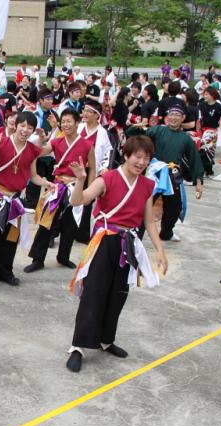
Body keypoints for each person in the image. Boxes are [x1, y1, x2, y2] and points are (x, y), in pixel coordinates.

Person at [65, 135, 167, 372]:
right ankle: (78, 346)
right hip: (104, 241)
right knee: (93, 294)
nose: (141, 162)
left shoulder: (147, 185)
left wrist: (160, 250)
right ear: (126, 155)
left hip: (128, 245)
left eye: (146, 158)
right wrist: (80, 180)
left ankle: (105, 339)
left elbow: (149, 221)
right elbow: (78, 200)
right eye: (137, 156)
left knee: (118, 294)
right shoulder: (107, 179)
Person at [0, 112, 55, 292]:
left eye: (30, 128)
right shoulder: (1, 142)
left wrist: (46, 182)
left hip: (15, 201)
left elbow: (32, 176)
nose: (25, 130)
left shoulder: (32, 150)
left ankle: (4, 273)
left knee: (10, 240)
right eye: (22, 125)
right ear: (15, 125)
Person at [26, 108, 95, 272]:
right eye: (63, 121)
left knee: (70, 225)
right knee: (46, 223)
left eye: (69, 121)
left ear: (77, 123)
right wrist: (41, 139)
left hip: (76, 188)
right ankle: (38, 259)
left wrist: (90, 191)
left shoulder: (87, 145)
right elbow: (39, 152)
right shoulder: (57, 141)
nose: (65, 124)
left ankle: (63, 257)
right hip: (57, 186)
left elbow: (92, 168)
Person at [145, 102, 204, 242]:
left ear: (183, 118)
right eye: (171, 114)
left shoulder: (186, 139)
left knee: (175, 207)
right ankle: (136, 229)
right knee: (144, 202)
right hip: (154, 173)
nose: (173, 118)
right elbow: (142, 138)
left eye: (177, 115)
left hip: (172, 175)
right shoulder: (158, 130)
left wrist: (199, 181)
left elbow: (194, 159)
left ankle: (166, 232)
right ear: (167, 117)